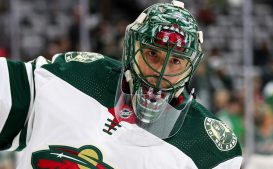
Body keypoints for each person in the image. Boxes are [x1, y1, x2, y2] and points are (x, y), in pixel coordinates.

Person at [0, 1, 242, 168]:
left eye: (175, 61)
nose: (160, 72)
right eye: (152, 54)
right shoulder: (72, 76)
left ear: (190, 67)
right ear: (131, 49)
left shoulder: (209, 149)